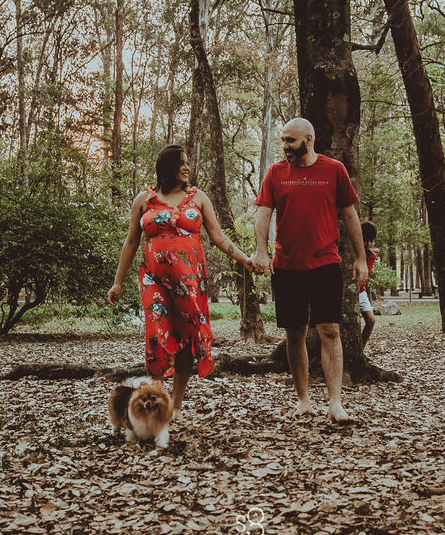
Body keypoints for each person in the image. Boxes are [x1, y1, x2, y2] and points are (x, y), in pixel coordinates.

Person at [107, 145, 254, 418]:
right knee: (156, 334)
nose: (187, 168)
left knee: (187, 337)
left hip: (189, 281)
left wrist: (245, 259)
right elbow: (130, 242)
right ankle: (156, 397)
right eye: (182, 163)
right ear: (168, 167)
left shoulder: (197, 197)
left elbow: (217, 236)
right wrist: (117, 282)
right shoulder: (144, 200)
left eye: (188, 163)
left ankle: (175, 403)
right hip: (153, 280)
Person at [251, 118, 367, 425]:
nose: (286, 146)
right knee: (295, 332)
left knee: (330, 330)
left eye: (290, 140)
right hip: (287, 265)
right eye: (283, 141)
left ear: (309, 139)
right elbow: (263, 212)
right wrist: (261, 250)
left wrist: (361, 257)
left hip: (325, 262)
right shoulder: (276, 173)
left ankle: (335, 403)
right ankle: (303, 401)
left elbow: (350, 215)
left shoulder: (334, 170)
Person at [358, 221, 377, 347]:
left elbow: (364, 276)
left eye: (372, 240)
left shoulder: (371, 256)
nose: (369, 244)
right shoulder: (350, 251)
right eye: (366, 240)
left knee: (371, 321)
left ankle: (360, 350)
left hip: (360, 291)